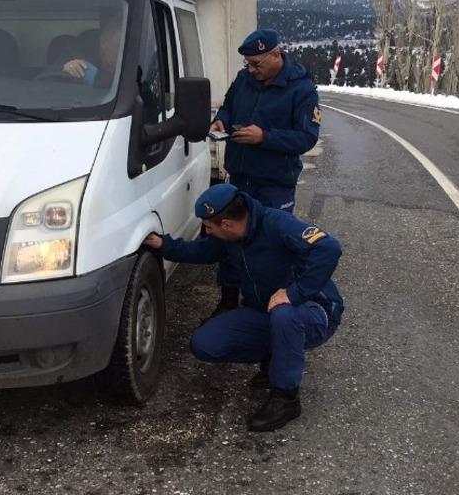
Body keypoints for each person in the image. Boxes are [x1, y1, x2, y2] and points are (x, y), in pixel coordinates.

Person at [143, 183, 343, 432]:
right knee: (205, 344)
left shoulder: (278, 224)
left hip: (314, 310)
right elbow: (202, 251)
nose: (207, 230)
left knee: (284, 315)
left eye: (209, 226)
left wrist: (295, 293)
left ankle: (286, 397)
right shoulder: (230, 236)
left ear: (226, 224)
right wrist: (163, 245)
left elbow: (328, 248)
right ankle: (277, 356)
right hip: (265, 311)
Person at [207, 28, 321, 319]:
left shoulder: (301, 88)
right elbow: (229, 107)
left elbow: (306, 138)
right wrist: (221, 121)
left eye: (257, 63)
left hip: (275, 184)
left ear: (275, 54)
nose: (251, 70)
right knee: (231, 242)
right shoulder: (245, 79)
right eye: (248, 64)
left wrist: (265, 138)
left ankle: (270, 308)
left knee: (271, 248)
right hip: (241, 177)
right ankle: (229, 302)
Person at [60, 20, 120, 88]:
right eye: (118, 46)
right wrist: (65, 71)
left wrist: (94, 75)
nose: (121, 51)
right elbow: (51, 81)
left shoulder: (130, 67)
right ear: (103, 42)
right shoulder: (74, 54)